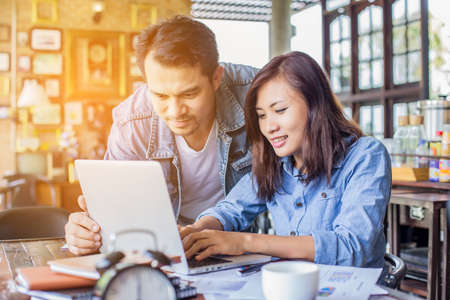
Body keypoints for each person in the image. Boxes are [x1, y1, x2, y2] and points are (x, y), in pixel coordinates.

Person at [64, 15, 259, 255]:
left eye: (189, 94)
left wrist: (213, 224)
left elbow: (277, 176)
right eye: (161, 96)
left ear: (216, 78)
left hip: (241, 242)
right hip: (162, 249)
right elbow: (116, 205)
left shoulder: (258, 95)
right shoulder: (130, 122)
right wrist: (87, 229)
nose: (176, 111)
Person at [180, 51, 392, 267]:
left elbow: (353, 247)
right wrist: (197, 231)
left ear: (315, 105)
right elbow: (230, 210)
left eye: (279, 110)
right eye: (262, 115)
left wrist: (246, 241)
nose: (269, 127)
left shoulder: (366, 155)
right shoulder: (275, 165)